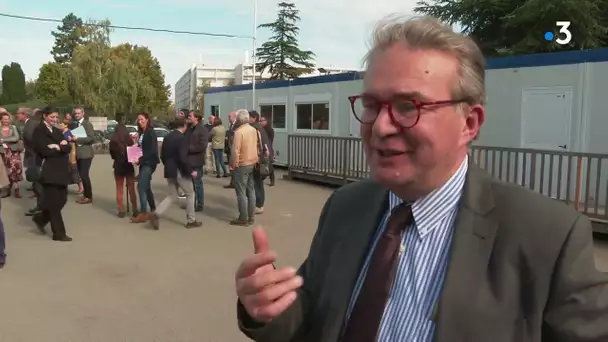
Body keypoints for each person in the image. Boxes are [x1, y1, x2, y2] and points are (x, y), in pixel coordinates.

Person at [234, 16, 608, 342]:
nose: (380, 126)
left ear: (470, 123)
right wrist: (267, 309)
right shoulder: (346, 207)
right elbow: (314, 319)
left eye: (407, 107)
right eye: (371, 105)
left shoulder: (547, 236)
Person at [149, 118, 202, 230]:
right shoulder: (181, 139)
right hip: (180, 170)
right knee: (190, 194)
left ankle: (156, 213)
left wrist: (168, 165)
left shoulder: (168, 137)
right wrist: (191, 170)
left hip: (170, 170)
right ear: (184, 126)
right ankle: (191, 220)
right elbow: (183, 157)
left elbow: (162, 155)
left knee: (172, 195)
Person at [31, 106, 72, 242]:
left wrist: (58, 146)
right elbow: (44, 151)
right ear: (45, 116)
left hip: (61, 170)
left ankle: (40, 219)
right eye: (51, 117)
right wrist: (60, 146)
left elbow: (68, 147)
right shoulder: (39, 131)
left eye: (56, 117)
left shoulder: (56, 130)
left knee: (63, 199)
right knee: (54, 203)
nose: (54, 120)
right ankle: (58, 233)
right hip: (48, 170)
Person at [229, 109, 258, 226]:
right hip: (252, 162)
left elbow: (235, 150)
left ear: (239, 119)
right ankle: (251, 217)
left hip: (242, 164)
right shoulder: (253, 130)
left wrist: (233, 164)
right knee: (251, 191)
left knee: (241, 192)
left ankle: (243, 218)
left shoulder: (239, 132)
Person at [131, 113, 159, 223]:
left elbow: (151, 151)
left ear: (147, 120)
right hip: (144, 162)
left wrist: (140, 160)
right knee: (146, 186)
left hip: (149, 163)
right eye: (138, 119)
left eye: (142, 119)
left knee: (141, 187)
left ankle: (143, 213)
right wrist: (135, 146)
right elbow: (142, 147)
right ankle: (153, 208)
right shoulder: (142, 133)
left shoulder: (151, 132)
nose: (139, 121)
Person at [109, 123, 138, 218]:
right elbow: (134, 154)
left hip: (118, 166)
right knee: (131, 189)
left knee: (119, 189)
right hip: (129, 166)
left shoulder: (113, 141)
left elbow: (112, 155)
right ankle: (135, 209)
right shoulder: (129, 140)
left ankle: (121, 210)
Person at [71, 107, 95, 204]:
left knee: (84, 175)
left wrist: (78, 139)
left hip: (86, 153)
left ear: (83, 113)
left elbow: (91, 138)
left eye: (78, 113)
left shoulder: (87, 124)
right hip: (78, 153)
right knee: (81, 174)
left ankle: (88, 196)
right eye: (75, 113)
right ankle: (86, 195)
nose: (77, 115)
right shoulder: (74, 124)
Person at [248, 110, 270, 215]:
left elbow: (263, 145)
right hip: (259, 159)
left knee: (257, 183)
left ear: (254, 118)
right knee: (258, 183)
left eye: (249, 117)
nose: (248, 119)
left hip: (257, 159)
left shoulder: (255, 129)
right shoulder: (259, 128)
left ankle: (259, 204)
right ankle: (259, 204)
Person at [186, 110, 208, 212]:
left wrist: (189, 149)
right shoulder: (190, 128)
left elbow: (203, 145)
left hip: (196, 162)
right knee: (190, 184)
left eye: (190, 116)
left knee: (197, 183)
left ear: (196, 118)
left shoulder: (202, 130)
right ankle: (192, 203)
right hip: (189, 161)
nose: (189, 117)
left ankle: (200, 204)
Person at [23, 109, 43, 215]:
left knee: (40, 184)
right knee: (39, 184)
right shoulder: (35, 123)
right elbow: (30, 139)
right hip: (37, 157)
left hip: (40, 158)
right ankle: (40, 208)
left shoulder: (33, 123)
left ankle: (41, 208)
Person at [0, 112, 23, 198]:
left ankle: (17, 190)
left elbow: (16, 138)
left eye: (8, 119)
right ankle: (7, 190)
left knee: (15, 170)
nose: (7, 120)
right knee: (6, 171)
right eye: (5, 119)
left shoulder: (13, 127)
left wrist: (3, 140)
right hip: (3, 152)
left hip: (13, 152)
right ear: (1, 120)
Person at [59, 120, 84, 194]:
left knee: (74, 171)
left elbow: (74, 142)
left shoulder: (70, 132)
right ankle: (63, 188)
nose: (60, 125)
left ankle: (81, 187)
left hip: (70, 154)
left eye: (61, 124)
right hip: (63, 155)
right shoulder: (61, 132)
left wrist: (69, 140)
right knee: (64, 172)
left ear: (66, 125)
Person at [260, 115, 275, 186]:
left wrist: (267, 148)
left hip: (268, 149)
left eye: (263, 120)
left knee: (269, 165)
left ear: (266, 121)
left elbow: (270, 140)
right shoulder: (261, 129)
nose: (261, 122)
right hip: (262, 149)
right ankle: (263, 176)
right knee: (264, 164)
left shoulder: (270, 130)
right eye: (260, 121)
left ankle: (272, 179)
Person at [224, 111, 237, 189]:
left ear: (234, 117)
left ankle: (235, 183)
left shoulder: (237, 125)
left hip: (234, 148)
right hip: (229, 148)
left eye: (229, 116)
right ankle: (232, 183)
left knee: (234, 166)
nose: (228, 118)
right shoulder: (230, 125)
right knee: (230, 166)